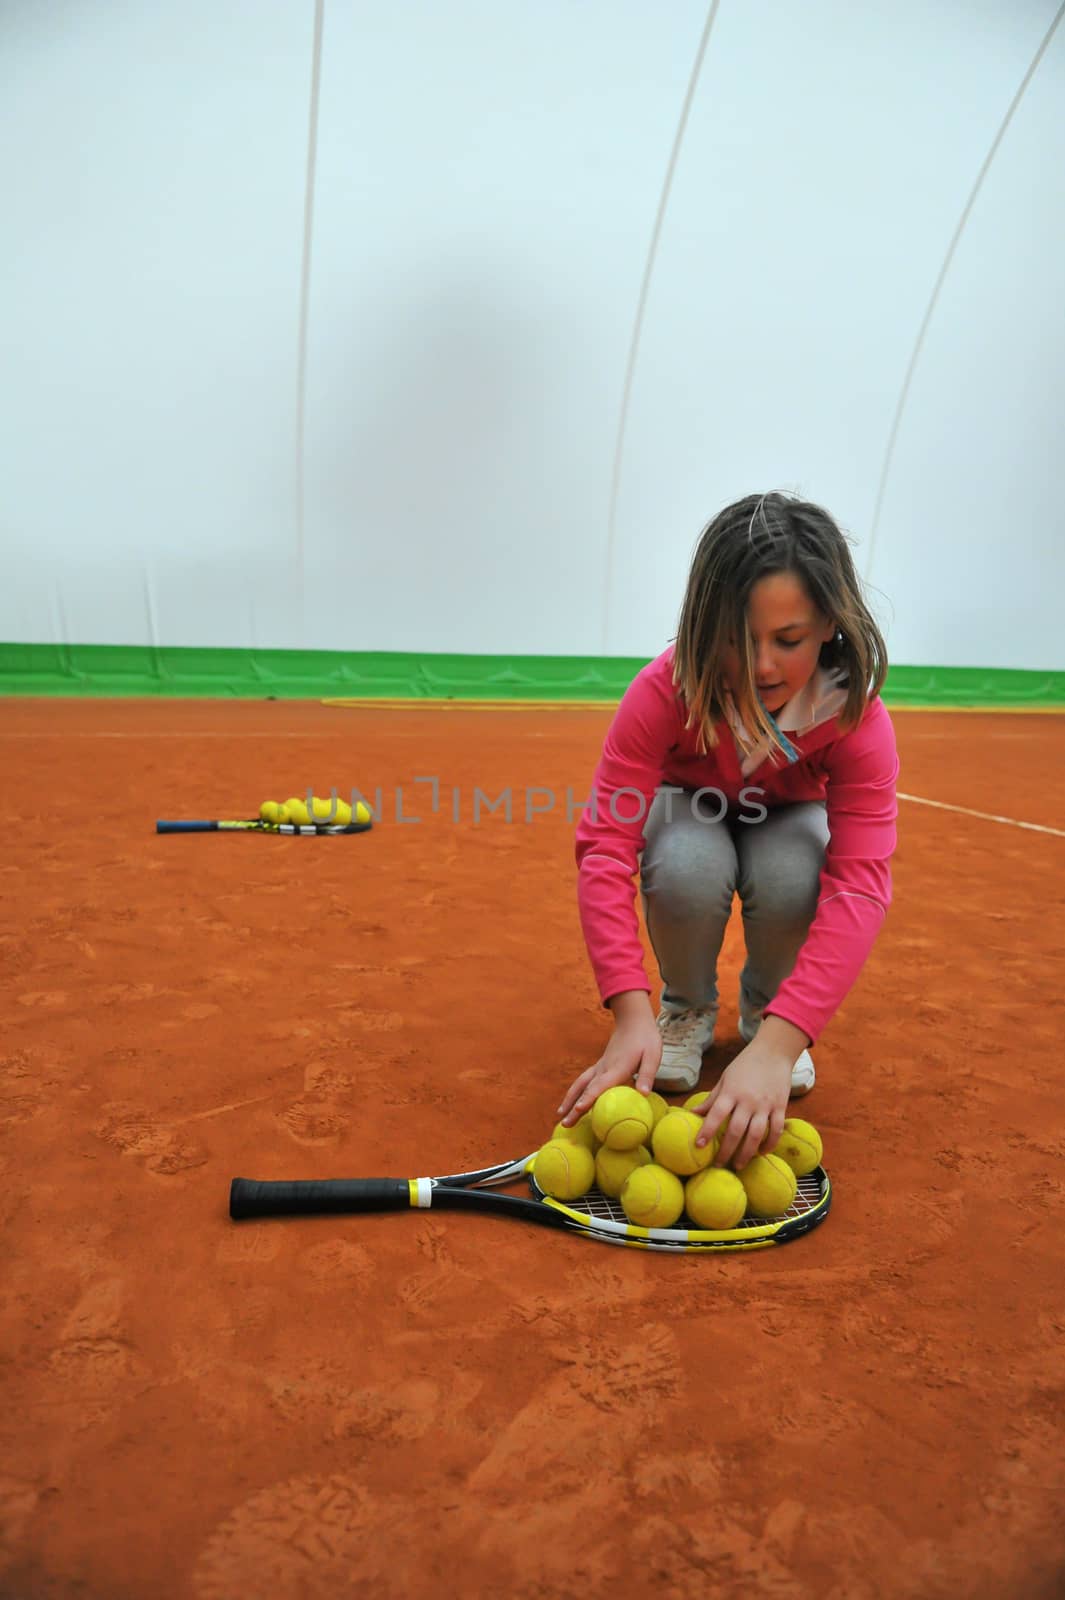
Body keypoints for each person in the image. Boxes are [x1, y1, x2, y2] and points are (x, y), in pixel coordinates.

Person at [557, 491, 898, 1173]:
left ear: (830, 622)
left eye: (788, 640)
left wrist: (781, 1045)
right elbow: (605, 846)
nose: (764, 666)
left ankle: (767, 1026)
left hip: (786, 819)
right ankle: (681, 1012)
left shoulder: (853, 716)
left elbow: (859, 885)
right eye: (738, 642)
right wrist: (627, 1010)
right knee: (683, 860)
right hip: (690, 809)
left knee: (796, 865)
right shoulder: (663, 691)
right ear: (702, 623)